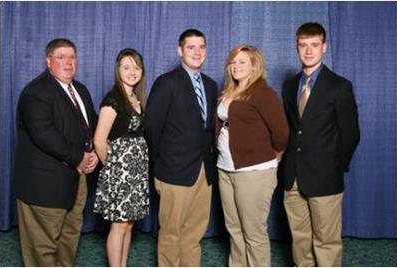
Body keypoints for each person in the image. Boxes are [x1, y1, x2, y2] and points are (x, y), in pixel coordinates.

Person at [13, 38, 99, 266]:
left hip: (76, 180)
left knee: (69, 239)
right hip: (44, 185)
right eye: (61, 57)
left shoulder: (80, 90)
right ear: (48, 61)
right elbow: (44, 134)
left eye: (72, 57)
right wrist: (80, 157)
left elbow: (92, 126)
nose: (68, 62)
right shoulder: (36, 92)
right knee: (43, 248)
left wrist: (96, 153)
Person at [281, 22, 360, 267]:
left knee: (326, 242)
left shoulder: (339, 86)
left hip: (325, 177)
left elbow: (351, 134)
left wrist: (335, 167)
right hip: (293, 177)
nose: (308, 51)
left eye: (314, 45)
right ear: (297, 47)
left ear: (324, 47)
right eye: (303, 45)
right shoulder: (290, 85)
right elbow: (292, 131)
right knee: (300, 240)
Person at [144, 28, 218, 266]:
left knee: (194, 234)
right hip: (174, 172)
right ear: (180, 51)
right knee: (171, 234)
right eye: (191, 47)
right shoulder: (166, 83)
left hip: (204, 172)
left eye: (202, 47)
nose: (197, 52)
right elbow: (151, 128)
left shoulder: (210, 84)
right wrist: (161, 166)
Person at [215, 45, 289, 267]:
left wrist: (273, 156)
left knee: (253, 233)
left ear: (254, 66)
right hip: (225, 168)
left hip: (254, 172)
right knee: (234, 229)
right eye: (233, 62)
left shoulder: (263, 93)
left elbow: (282, 132)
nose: (235, 66)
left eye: (242, 62)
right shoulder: (230, 90)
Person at [93, 48, 150, 267]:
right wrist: (114, 169)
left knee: (129, 225)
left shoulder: (135, 97)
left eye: (136, 67)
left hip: (136, 172)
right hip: (121, 173)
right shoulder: (113, 100)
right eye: (126, 67)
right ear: (118, 70)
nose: (132, 72)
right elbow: (99, 140)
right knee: (119, 226)